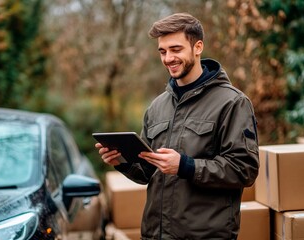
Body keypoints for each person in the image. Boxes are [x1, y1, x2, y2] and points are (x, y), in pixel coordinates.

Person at [95, 12, 259, 239]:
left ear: (198, 47)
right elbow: (147, 173)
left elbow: (244, 170)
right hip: (155, 235)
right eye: (162, 51)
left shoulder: (232, 103)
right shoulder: (157, 106)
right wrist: (121, 161)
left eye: (176, 49)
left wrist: (186, 166)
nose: (168, 58)